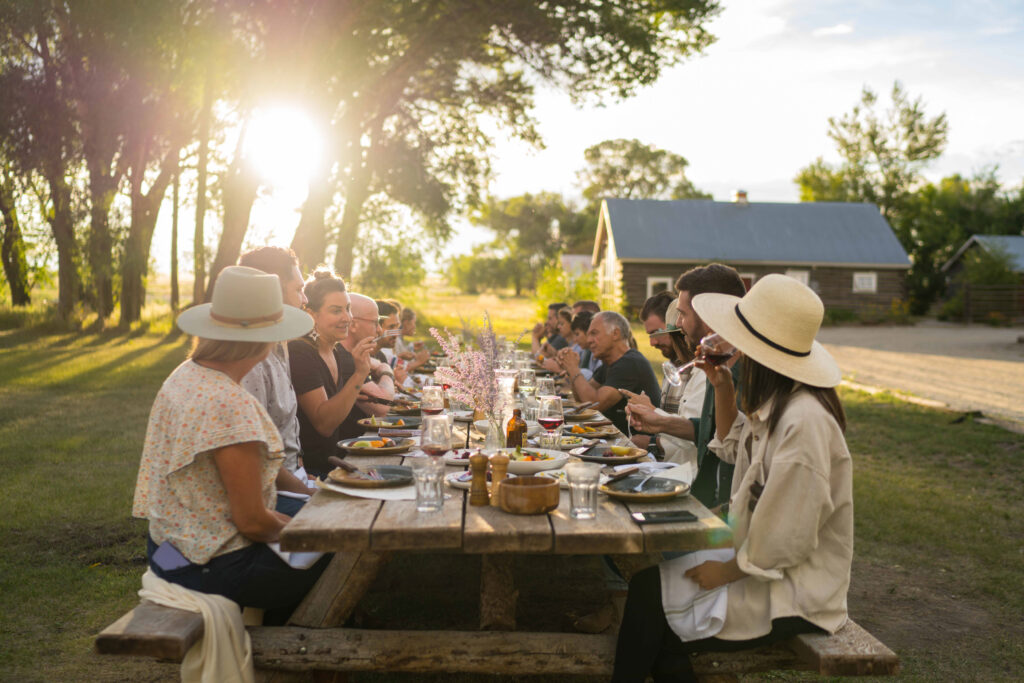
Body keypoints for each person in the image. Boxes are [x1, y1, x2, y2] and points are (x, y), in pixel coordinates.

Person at [612, 273, 851, 682]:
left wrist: (724, 572)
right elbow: (732, 442)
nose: (732, 347)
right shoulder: (780, 403)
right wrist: (721, 385)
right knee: (650, 599)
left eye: (740, 339)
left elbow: (786, 536)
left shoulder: (804, 421)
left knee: (651, 604)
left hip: (797, 590)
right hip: (761, 563)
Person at [133, 265, 330, 625]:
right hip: (207, 568)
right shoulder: (228, 403)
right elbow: (253, 522)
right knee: (337, 551)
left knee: (313, 522)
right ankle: (288, 651)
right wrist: (308, 534)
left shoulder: (185, 375)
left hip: (167, 548)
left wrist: (296, 516)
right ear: (266, 339)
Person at [626, 263, 746, 510]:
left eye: (682, 314)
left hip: (726, 525)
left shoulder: (747, 373)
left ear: (707, 314)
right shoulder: (718, 370)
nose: (678, 324)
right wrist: (657, 421)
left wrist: (658, 421)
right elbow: (720, 437)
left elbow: (727, 447)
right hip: (707, 504)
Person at [288, 269, 377, 477]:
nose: (347, 318)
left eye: (348, 309)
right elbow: (324, 424)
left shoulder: (334, 350)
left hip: (337, 465)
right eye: (336, 311)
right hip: (310, 475)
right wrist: (360, 374)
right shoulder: (300, 353)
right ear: (311, 314)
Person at [557, 311, 661, 435]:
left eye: (594, 333)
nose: (589, 340)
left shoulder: (630, 363)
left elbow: (594, 404)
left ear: (615, 333)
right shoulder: (610, 363)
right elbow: (582, 399)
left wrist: (574, 369)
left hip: (639, 447)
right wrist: (570, 370)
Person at [341, 293, 397, 420]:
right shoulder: (345, 358)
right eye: (375, 323)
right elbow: (383, 407)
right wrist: (386, 371)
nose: (379, 330)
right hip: (355, 439)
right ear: (353, 325)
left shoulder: (354, 355)